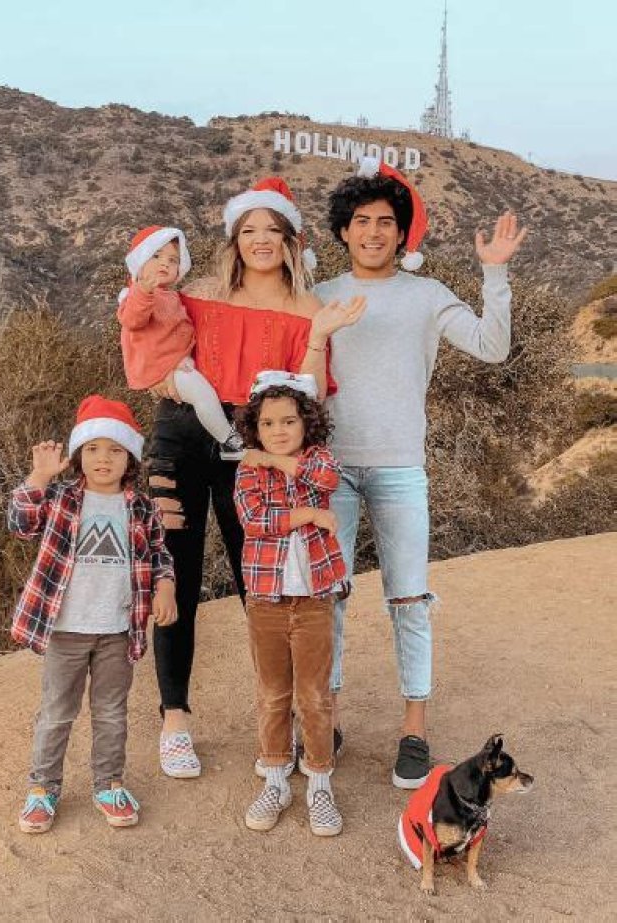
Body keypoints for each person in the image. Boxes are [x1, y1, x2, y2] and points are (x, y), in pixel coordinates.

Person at [314, 157, 526, 789]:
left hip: (400, 467)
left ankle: (414, 733)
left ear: (402, 232)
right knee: (329, 599)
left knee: (409, 599)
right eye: (361, 221)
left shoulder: (427, 295)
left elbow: (492, 347)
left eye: (386, 222)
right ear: (343, 230)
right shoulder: (319, 295)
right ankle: (327, 720)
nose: (373, 232)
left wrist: (495, 273)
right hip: (330, 469)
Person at [146, 177, 366, 779]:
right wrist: (159, 375)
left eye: (273, 229)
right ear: (234, 238)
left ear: (291, 239)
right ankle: (174, 720)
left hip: (253, 448)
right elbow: (149, 343)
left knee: (265, 584)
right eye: (249, 229)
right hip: (181, 437)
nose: (261, 239)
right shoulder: (200, 294)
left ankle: (293, 716)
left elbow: (310, 394)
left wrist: (317, 338)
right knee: (176, 574)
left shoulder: (310, 309)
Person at [9, 395, 177, 832]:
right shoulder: (61, 497)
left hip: (118, 629)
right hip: (65, 628)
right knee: (56, 713)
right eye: (94, 449)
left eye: (116, 450)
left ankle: (109, 783)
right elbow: (21, 523)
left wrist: (165, 585)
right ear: (79, 455)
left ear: (130, 458)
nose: (104, 458)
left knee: (111, 712)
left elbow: (159, 554)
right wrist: (39, 476)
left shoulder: (142, 507)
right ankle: (42, 788)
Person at [234, 370, 347, 836]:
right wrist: (310, 513)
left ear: (306, 424)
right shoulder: (247, 470)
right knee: (272, 693)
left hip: (315, 600)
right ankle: (276, 778)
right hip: (266, 600)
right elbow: (254, 519)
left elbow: (328, 478)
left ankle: (319, 783)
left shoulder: (318, 459)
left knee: (315, 696)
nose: (278, 431)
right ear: (255, 428)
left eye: (288, 421)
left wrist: (279, 463)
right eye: (267, 424)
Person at [117, 225, 244, 460]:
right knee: (202, 394)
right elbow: (132, 320)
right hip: (162, 368)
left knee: (204, 391)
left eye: (173, 260)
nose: (164, 263)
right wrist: (143, 290)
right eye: (156, 256)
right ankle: (227, 439)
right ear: (139, 260)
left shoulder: (170, 295)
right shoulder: (138, 295)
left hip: (177, 362)